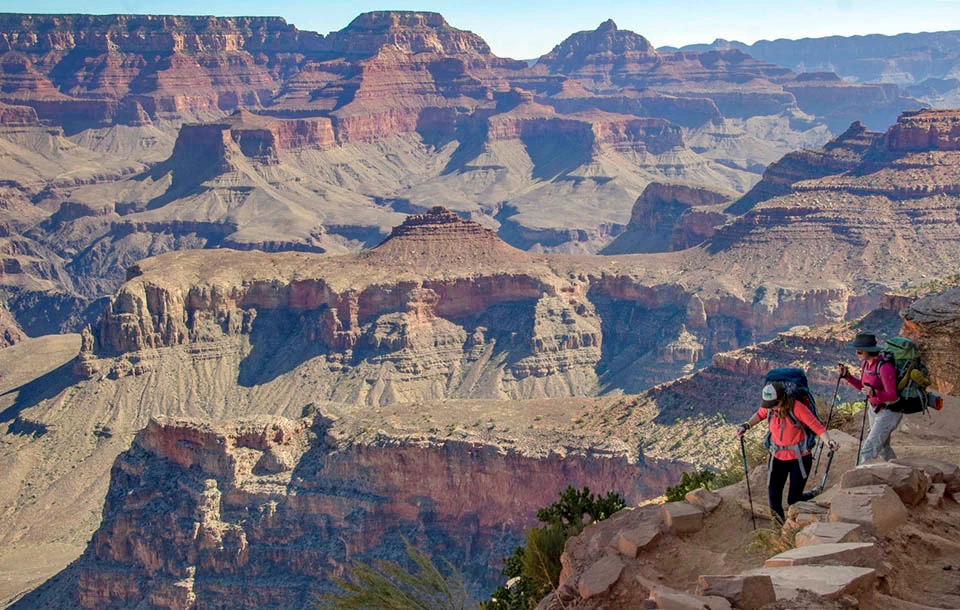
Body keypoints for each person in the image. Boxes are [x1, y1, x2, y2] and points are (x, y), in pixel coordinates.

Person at [736, 381, 840, 522]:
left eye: (774, 404)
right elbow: (760, 414)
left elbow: (817, 427)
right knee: (774, 502)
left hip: (800, 458)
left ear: (782, 398)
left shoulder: (797, 408)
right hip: (777, 457)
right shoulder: (770, 408)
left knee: (793, 500)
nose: (771, 407)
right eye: (769, 405)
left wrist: (829, 442)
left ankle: (810, 495)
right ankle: (780, 527)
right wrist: (746, 425)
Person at [839, 332, 901, 462]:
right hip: (874, 409)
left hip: (889, 411)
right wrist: (848, 377)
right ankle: (896, 469)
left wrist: (874, 393)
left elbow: (892, 395)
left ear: (869, 350)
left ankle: (860, 473)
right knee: (883, 447)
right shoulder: (866, 365)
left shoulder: (884, 367)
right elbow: (863, 387)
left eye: (860, 351)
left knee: (868, 448)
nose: (856, 353)